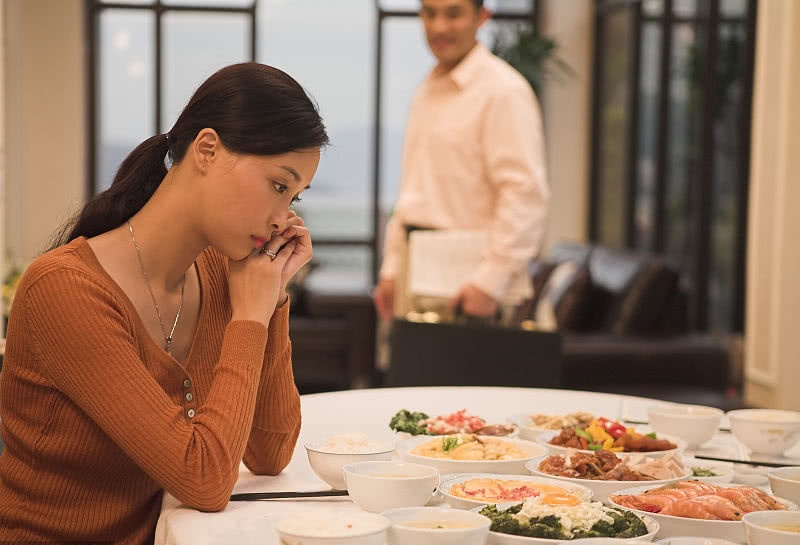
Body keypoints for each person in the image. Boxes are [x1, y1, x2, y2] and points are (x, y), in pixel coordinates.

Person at [0, 63, 328, 545]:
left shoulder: (223, 273)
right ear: (208, 150)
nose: (284, 219)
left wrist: (272, 297)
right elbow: (205, 480)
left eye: (296, 196)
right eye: (279, 186)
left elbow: (270, 451)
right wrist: (251, 317)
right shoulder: (65, 290)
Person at [373, 0, 549, 321]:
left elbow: (524, 194)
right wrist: (393, 268)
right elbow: (414, 190)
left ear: (482, 17)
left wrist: (489, 282)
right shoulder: (427, 90)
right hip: (417, 276)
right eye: (430, 13)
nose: (439, 26)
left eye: (453, 14)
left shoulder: (504, 91)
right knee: (408, 373)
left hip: (469, 287)